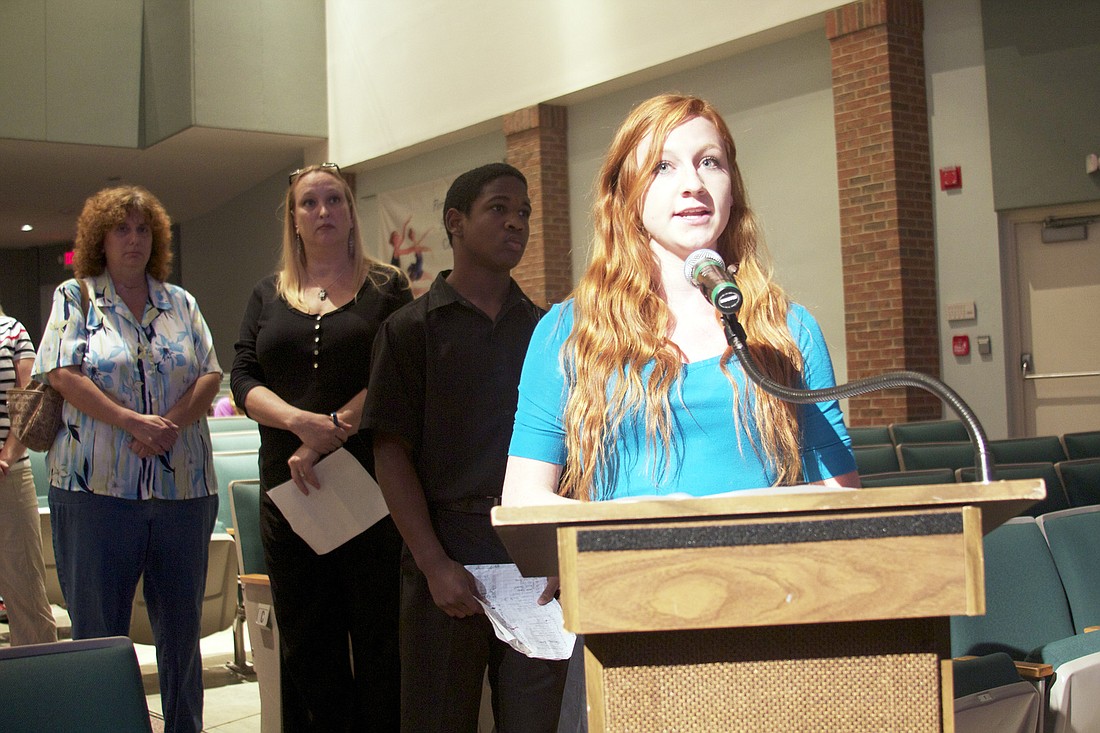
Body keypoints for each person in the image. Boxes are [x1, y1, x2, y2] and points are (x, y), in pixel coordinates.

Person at [504, 93, 860, 507]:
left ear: (732, 189)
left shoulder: (789, 328)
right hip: (622, 550)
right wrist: (631, 519)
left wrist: (724, 514)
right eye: (663, 166)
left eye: (710, 162)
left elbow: (840, 493)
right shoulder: (568, 331)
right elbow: (523, 498)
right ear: (626, 194)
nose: (694, 184)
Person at [365, 163, 569, 733]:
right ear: (455, 222)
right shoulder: (410, 330)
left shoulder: (547, 331)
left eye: (524, 212)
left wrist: (560, 557)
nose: (516, 223)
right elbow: (390, 455)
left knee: (537, 722)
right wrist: (433, 563)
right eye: (499, 208)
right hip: (445, 555)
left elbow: (572, 450)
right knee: (437, 719)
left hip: (532, 562)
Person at [33, 185, 222, 733]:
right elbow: (61, 373)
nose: (134, 239)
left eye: (143, 229)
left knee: (181, 633)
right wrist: (131, 422)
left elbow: (210, 372)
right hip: (96, 492)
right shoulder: (76, 297)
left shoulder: (180, 302)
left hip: (183, 490)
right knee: (100, 635)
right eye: (122, 229)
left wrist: (169, 426)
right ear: (101, 238)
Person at [231, 163, 411, 732]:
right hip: (289, 494)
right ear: (294, 218)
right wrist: (297, 423)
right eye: (309, 203)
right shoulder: (267, 293)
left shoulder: (386, 286)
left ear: (351, 213)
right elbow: (242, 377)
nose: (323, 211)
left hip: (372, 491)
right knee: (309, 648)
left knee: (380, 643)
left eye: (334, 200)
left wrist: (332, 429)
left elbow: (398, 370)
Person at [0, 306, 58, 646]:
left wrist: (7, 455)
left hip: (8, 475)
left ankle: (40, 675)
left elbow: (32, 398)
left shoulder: (12, 332)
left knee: (26, 593)